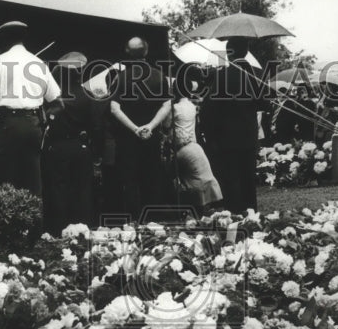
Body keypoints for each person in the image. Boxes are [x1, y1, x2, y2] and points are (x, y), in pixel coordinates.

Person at [0, 20, 61, 196]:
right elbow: (58, 103)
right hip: (34, 125)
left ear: (4, 39)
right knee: (32, 181)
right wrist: (46, 120)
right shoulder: (38, 63)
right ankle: (34, 222)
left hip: (6, 124)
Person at [201, 36, 269, 213]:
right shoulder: (259, 74)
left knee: (231, 179)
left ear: (229, 54)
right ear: (246, 52)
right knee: (248, 177)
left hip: (226, 137)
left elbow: (209, 109)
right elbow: (265, 104)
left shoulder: (221, 75)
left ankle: (235, 215)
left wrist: (210, 135)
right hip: (249, 134)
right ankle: (251, 212)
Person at [141, 65, 222, 213]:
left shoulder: (175, 108)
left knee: (170, 173)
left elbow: (165, 126)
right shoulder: (191, 106)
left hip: (181, 148)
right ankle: (201, 203)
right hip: (194, 145)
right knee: (197, 174)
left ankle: (175, 202)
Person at [109, 36, 170, 221]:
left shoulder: (120, 78)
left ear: (127, 53)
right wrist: (150, 126)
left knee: (130, 182)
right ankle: (152, 222)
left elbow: (114, 108)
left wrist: (135, 129)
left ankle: (133, 222)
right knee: (152, 179)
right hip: (151, 137)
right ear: (146, 52)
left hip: (127, 140)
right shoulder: (159, 75)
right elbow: (167, 105)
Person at [41, 51, 103, 235]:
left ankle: (58, 229)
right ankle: (83, 228)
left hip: (56, 146)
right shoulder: (87, 95)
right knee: (82, 190)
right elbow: (97, 126)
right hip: (80, 146)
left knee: (58, 190)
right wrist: (96, 152)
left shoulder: (52, 96)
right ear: (80, 72)